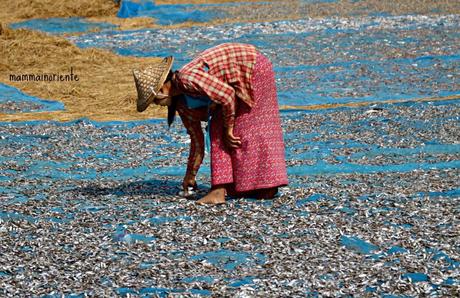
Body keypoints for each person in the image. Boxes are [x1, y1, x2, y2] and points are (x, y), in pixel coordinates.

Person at [133, 43, 288, 204]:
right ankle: (251, 187)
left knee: (245, 128)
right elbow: (197, 140)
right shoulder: (182, 105)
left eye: (154, 101)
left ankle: (225, 190)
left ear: (161, 90)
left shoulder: (186, 78)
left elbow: (227, 95)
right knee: (223, 127)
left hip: (253, 68)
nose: (157, 105)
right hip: (244, 75)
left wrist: (228, 130)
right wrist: (190, 176)